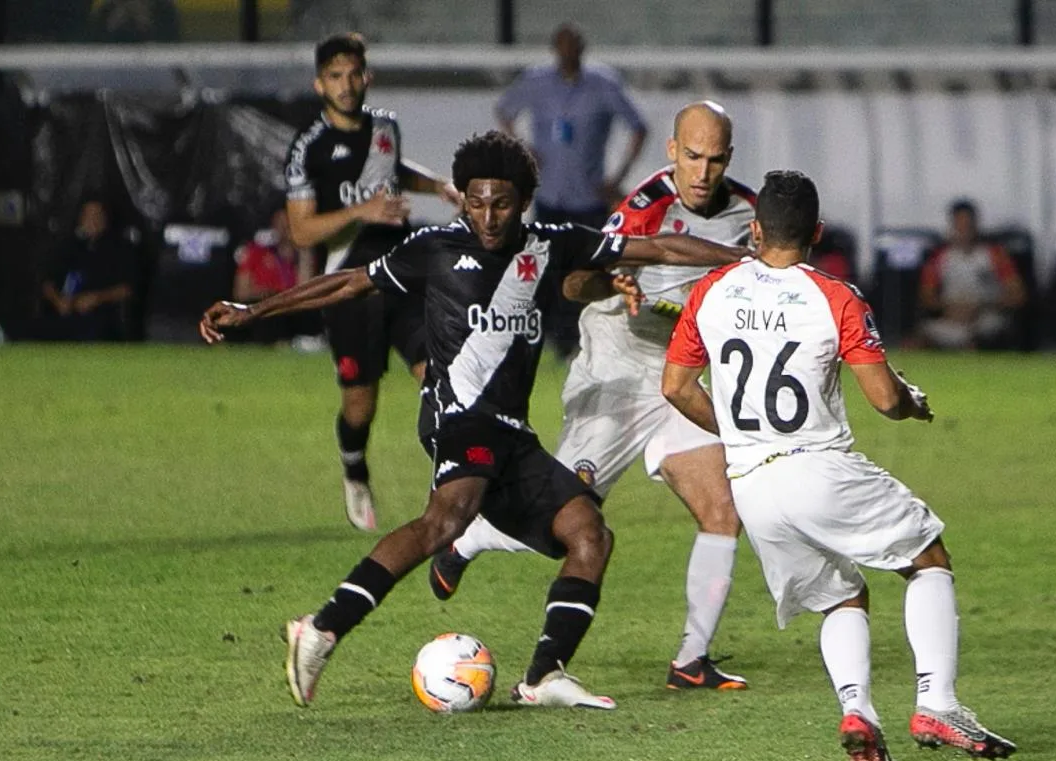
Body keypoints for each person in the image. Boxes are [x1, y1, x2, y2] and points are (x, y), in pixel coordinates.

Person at [200, 130, 746, 710]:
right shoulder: (434, 247)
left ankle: (543, 676)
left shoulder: (551, 244)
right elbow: (348, 282)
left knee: (589, 533)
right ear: (462, 197)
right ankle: (322, 629)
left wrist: (746, 261)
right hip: (457, 416)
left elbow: (658, 248)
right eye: (476, 201)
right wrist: (254, 310)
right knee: (445, 520)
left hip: (511, 432)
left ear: (525, 201)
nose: (488, 215)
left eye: (502, 203)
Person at [661, 170, 1016, 761]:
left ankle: (858, 714)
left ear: (754, 231)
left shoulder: (712, 291)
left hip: (752, 486)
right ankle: (937, 701)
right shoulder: (835, 296)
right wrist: (912, 402)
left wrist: (740, 435)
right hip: (817, 466)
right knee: (927, 556)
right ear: (817, 233)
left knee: (840, 595)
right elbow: (882, 398)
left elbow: (675, 386)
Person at [434, 101, 755, 691]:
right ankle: (468, 538)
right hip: (615, 366)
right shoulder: (643, 209)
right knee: (568, 515)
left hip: (676, 376)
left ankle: (691, 659)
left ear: (728, 158)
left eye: (713, 159)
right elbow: (573, 283)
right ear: (671, 151)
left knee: (722, 509)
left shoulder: (747, 216)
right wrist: (613, 279)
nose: (702, 171)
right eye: (691, 156)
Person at [285, 32, 461, 532]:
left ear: (368, 76)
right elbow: (301, 231)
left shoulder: (386, 126)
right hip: (348, 287)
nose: (346, 84)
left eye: (354, 74)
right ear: (320, 84)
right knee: (361, 404)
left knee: (438, 379)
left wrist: (440, 186)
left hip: (402, 276)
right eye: (335, 77)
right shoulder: (308, 149)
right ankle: (355, 469)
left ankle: (457, 489)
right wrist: (364, 210)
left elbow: (393, 169)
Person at [496, 23, 648, 358]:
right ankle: (555, 340)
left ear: (581, 48)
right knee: (546, 270)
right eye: (562, 45)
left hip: (588, 197)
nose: (567, 52)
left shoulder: (602, 83)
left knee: (588, 269)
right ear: (554, 48)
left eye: (573, 45)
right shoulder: (537, 81)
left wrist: (617, 177)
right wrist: (523, 149)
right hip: (550, 194)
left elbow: (638, 127)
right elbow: (504, 110)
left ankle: (588, 337)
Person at [916, 199, 1026, 350]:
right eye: (959, 225)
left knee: (991, 330)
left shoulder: (995, 255)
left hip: (986, 317)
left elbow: (1018, 295)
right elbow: (926, 296)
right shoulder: (940, 257)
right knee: (920, 337)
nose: (964, 230)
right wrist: (950, 308)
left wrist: (981, 306)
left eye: (967, 225)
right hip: (952, 318)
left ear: (975, 225)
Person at [38, 198, 137, 342]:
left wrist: (98, 298)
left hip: (100, 315)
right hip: (64, 312)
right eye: (89, 215)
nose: (93, 221)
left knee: (91, 330)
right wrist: (58, 300)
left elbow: (127, 289)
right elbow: (47, 283)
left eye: (97, 215)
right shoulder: (68, 247)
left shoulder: (121, 248)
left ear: (105, 219)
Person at [232, 207, 321, 346]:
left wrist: (304, 250)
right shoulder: (256, 253)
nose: (285, 229)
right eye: (280, 224)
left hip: (292, 311)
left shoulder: (302, 257)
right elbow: (240, 293)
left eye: (288, 225)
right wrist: (269, 293)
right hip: (263, 309)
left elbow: (305, 290)